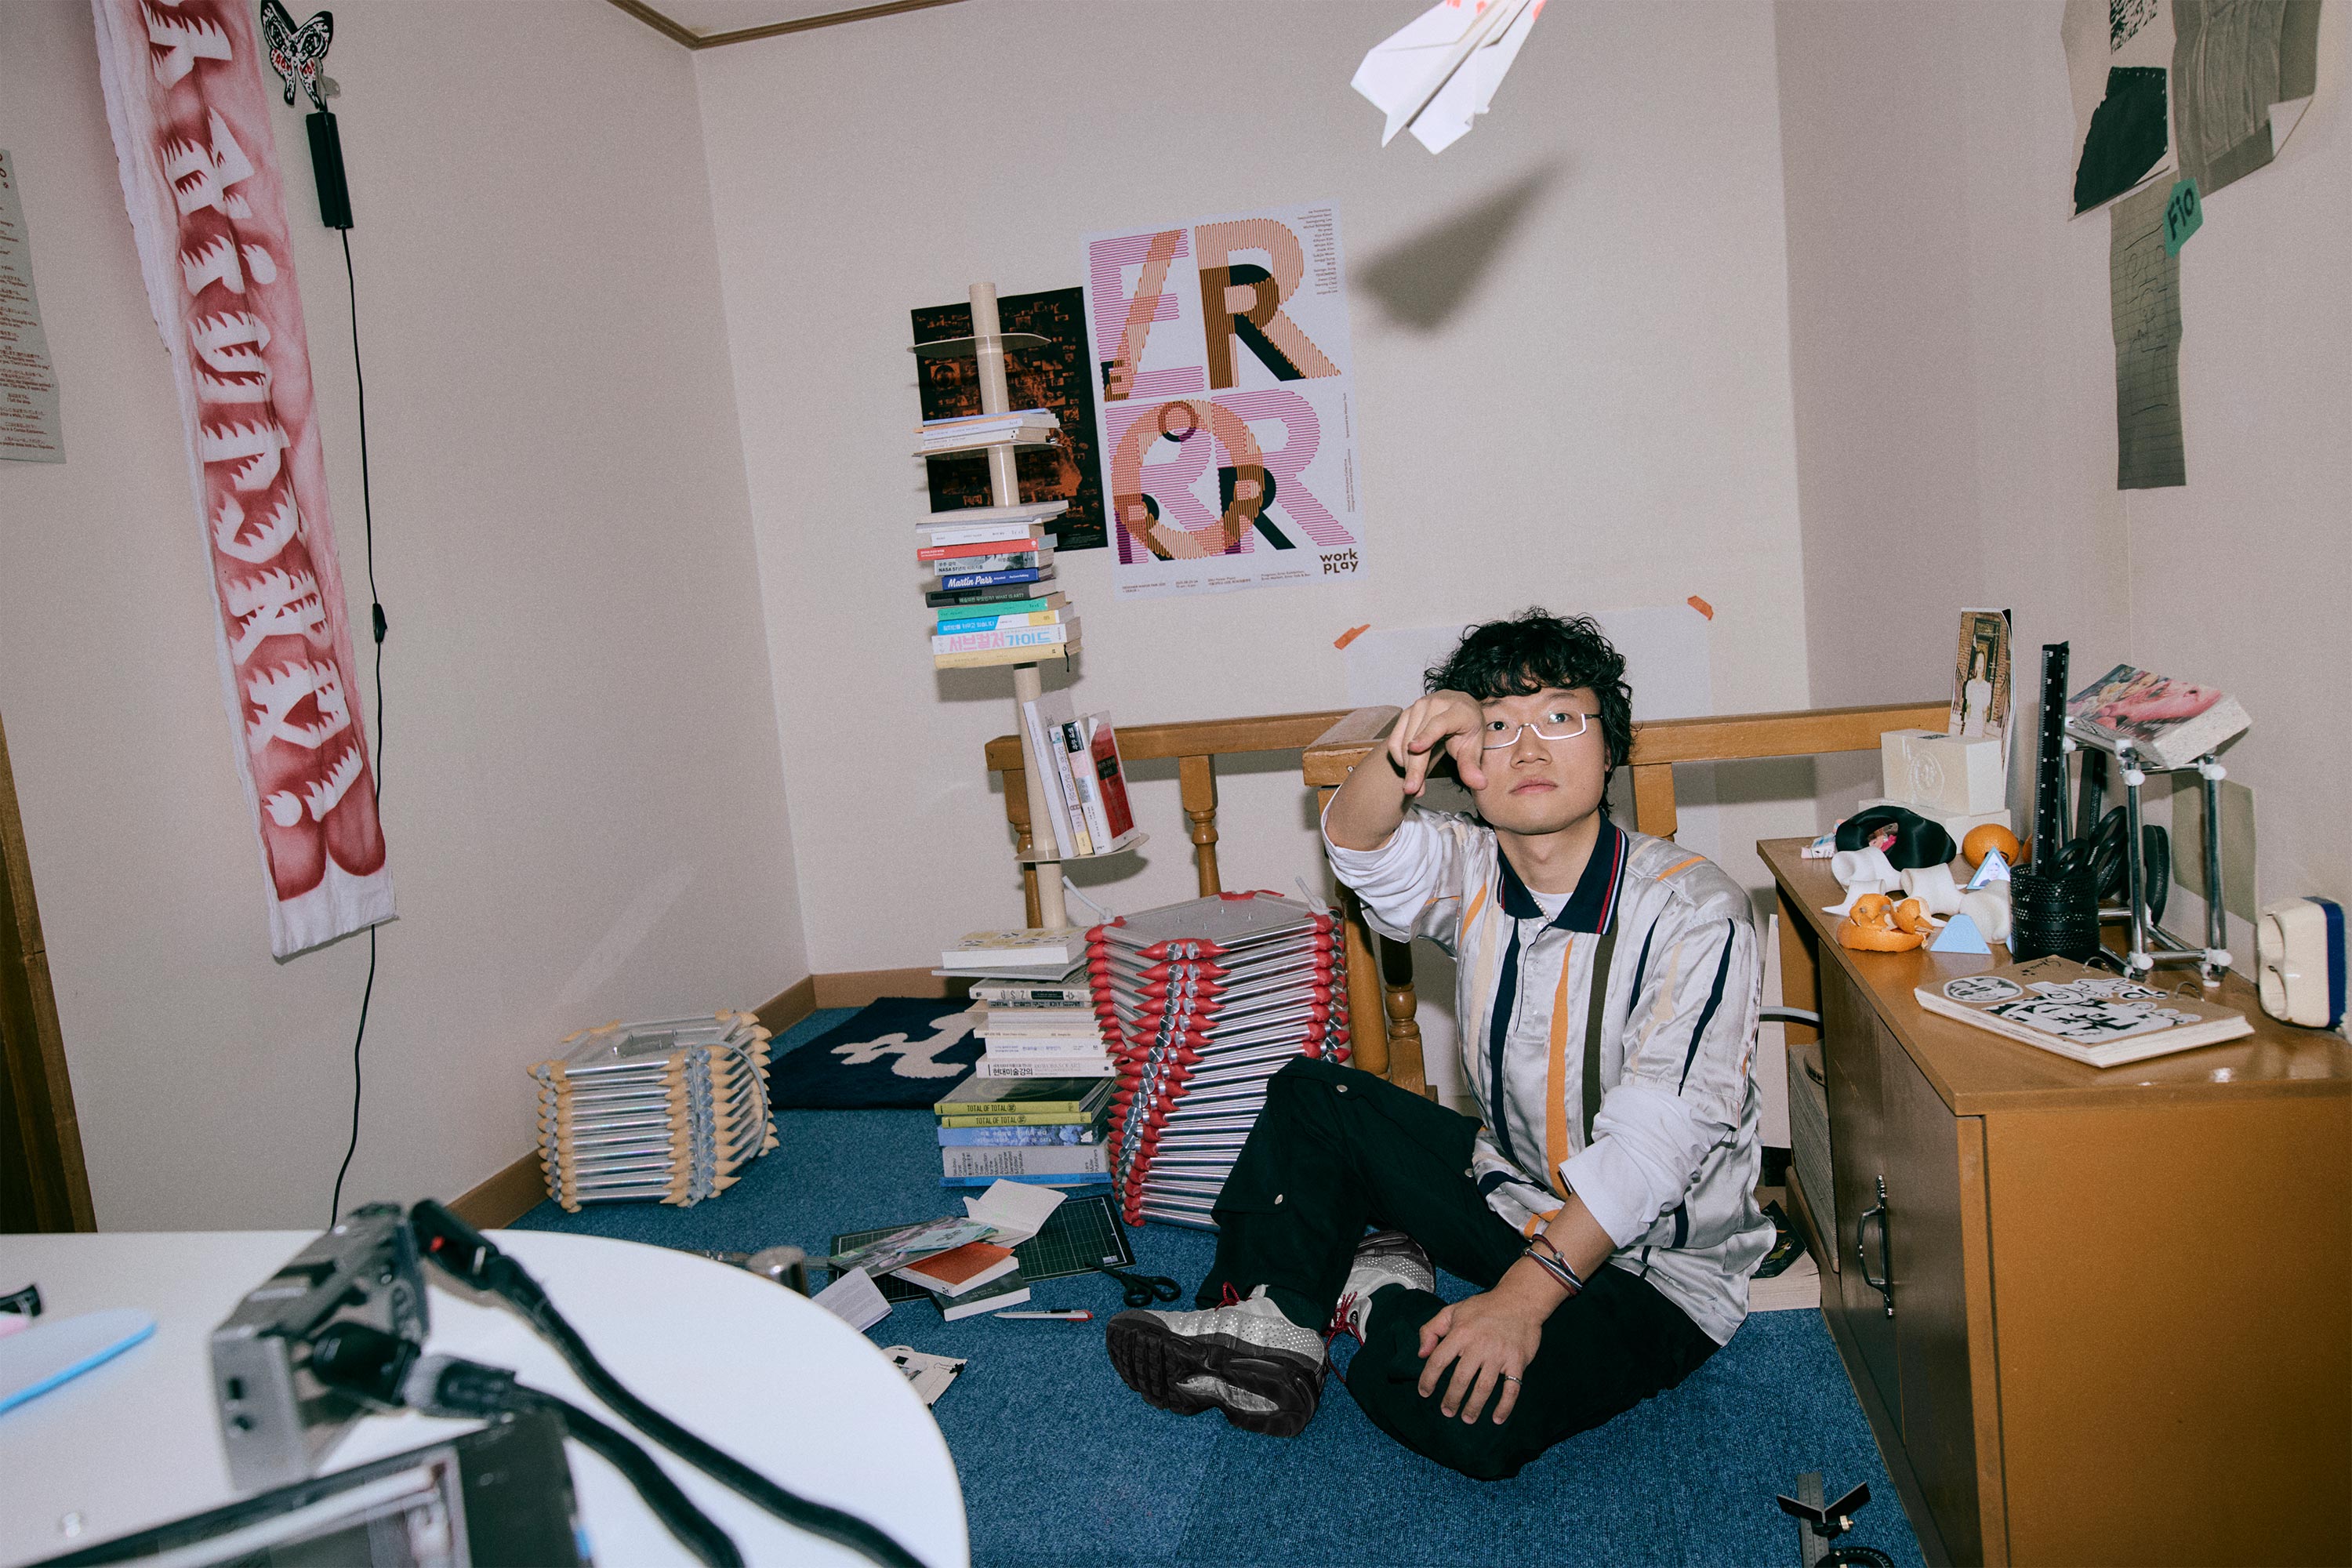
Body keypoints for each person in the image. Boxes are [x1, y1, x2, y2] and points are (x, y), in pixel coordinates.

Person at [1104, 608, 1773, 1480]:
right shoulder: (1476, 868)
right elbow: (1356, 842)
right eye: (1497, 726)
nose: (1528, 749)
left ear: (1609, 747)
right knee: (1312, 1095)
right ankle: (1276, 1317)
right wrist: (1403, 747)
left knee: (1471, 1422)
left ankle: (1377, 1289)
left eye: (1560, 717)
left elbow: (1653, 1152)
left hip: (1656, 1270)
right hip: (1512, 1193)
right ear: (1467, 762)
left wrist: (1519, 1302)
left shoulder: (1696, 914)